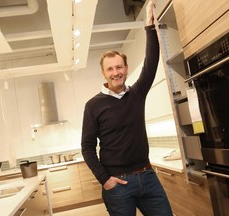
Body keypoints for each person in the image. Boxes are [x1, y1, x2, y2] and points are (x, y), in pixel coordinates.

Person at [81, 1, 173, 215]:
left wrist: (149, 26)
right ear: (104, 73)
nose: (116, 72)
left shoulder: (137, 93)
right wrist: (104, 180)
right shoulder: (93, 105)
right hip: (118, 185)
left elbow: (151, 63)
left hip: (148, 176)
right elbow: (87, 147)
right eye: (110, 69)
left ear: (126, 68)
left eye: (119, 67)